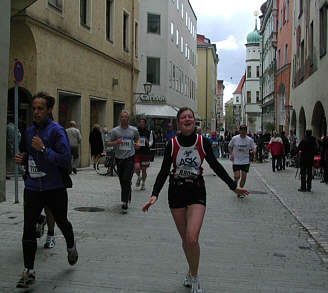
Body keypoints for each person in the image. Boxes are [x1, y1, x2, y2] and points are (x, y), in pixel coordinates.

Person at [142, 107, 248, 293]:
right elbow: (164, 170)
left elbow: (215, 165)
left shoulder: (203, 142)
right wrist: (154, 194)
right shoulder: (172, 144)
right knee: (185, 240)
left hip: (196, 190)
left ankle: (195, 277)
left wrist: (233, 186)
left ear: (194, 121)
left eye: (190, 116)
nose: (187, 119)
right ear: (179, 123)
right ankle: (191, 270)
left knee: (192, 238)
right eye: (183, 117)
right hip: (176, 192)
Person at [15, 92, 78, 289]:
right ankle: (29, 271)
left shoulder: (57, 131)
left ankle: (71, 245)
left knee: (62, 222)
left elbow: (65, 159)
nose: (35, 112)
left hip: (54, 187)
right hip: (33, 187)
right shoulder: (28, 131)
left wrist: (43, 149)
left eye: (40, 108)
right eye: (33, 108)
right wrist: (23, 159)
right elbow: (29, 155)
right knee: (28, 229)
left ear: (49, 110)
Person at [105, 110, 139, 212]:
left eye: (126, 117)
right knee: (122, 180)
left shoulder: (133, 130)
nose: (124, 119)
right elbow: (107, 143)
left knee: (126, 179)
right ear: (120, 119)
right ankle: (127, 193)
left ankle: (124, 202)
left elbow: (137, 140)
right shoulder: (115, 131)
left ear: (128, 119)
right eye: (122, 117)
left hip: (130, 157)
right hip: (119, 158)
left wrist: (137, 144)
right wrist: (116, 142)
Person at [228, 124, 256, 192]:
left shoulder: (249, 140)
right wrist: (231, 154)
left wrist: (254, 151)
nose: (243, 132)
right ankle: (235, 182)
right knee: (237, 176)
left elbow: (254, 147)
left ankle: (240, 190)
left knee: (244, 177)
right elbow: (229, 146)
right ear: (239, 131)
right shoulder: (235, 138)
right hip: (236, 160)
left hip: (245, 160)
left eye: (244, 130)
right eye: (241, 130)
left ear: (246, 131)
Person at [134, 118, 153, 190]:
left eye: (143, 122)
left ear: (145, 124)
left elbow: (151, 143)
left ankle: (143, 183)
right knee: (137, 167)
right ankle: (139, 177)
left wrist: (146, 140)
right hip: (137, 152)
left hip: (145, 152)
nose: (141, 123)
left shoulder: (149, 132)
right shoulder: (136, 131)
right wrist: (135, 144)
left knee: (144, 169)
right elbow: (133, 140)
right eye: (140, 122)